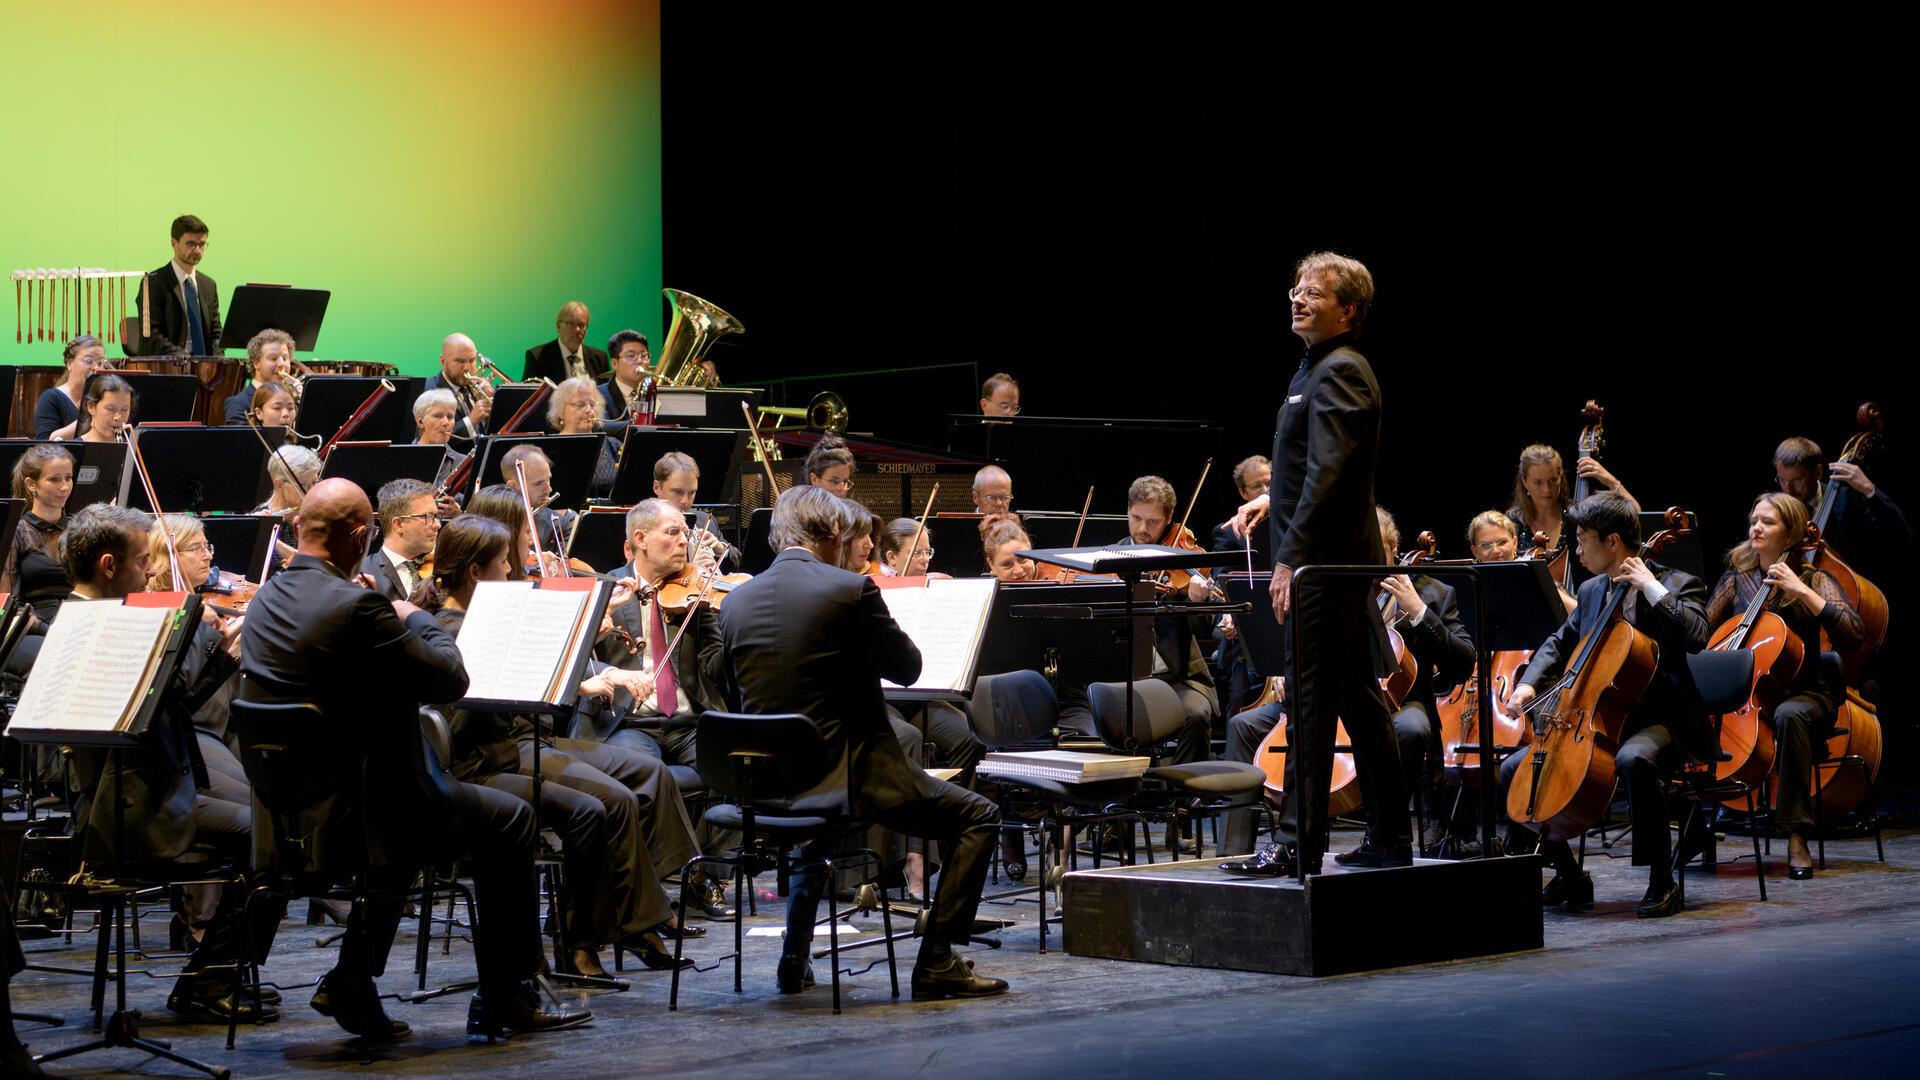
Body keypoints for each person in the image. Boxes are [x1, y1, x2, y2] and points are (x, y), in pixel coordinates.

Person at [236, 477, 588, 1039]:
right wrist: (407, 613)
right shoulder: (362, 607)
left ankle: (354, 978)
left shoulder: (268, 598)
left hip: (291, 804)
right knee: (510, 817)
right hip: (369, 806)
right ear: (359, 535)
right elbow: (450, 677)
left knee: (401, 839)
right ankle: (506, 996)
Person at [717, 484, 1006, 999]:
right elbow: (909, 668)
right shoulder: (849, 591)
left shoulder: (735, 601)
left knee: (819, 829)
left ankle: (793, 960)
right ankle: (938, 959)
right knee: (979, 816)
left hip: (770, 786)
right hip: (855, 775)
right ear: (831, 533)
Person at [414, 513, 703, 977]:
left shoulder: (483, 616)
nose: (513, 573)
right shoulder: (453, 629)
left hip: (523, 743)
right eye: (505, 564)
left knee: (645, 773)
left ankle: (641, 915)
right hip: (489, 757)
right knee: (610, 801)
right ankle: (587, 937)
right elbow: (475, 714)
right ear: (475, 572)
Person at [1220, 251, 1406, 877]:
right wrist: (1273, 498)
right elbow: (1319, 463)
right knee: (1357, 697)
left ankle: (1299, 841)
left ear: (1347, 311)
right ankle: (1389, 837)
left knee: (1307, 702)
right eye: (1295, 289)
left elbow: (1334, 474)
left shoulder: (1341, 370)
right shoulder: (1317, 368)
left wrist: (1288, 561)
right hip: (1331, 561)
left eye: (1314, 294)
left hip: (1326, 567)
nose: (1297, 300)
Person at [53, 504, 262, 1021]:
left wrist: (218, 651)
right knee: (271, 839)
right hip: (127, 807)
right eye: (143, 560)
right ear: (109, 565)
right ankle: (210, 979)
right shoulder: (89, 629)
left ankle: (218, 972)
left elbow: (177, 706)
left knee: (277, 818)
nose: (152, 572)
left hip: (159, 783)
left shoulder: (111, 618)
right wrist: (197, 634)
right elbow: (150, 714)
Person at [1500, 492, 1710, 918]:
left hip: (1662, 720)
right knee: (1510, 770)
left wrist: (1649, 587)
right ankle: (1570, 876)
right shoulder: (1595, 590)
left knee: (1635, 760)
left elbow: (1698, 635)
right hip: (1595, 718)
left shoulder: (1674, 582)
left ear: (1613, 542)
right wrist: (1528, 685)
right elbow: (1560, 642)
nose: (1577, 550)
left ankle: (1662, 881)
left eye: (1583, 540)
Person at [1704, 492, 1864, 879]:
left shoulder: (1813, 578)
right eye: (1754, 520)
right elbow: (1703, 634)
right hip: (1753, 695)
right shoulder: (1736, 580)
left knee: (1790, 715)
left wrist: (1802, 592)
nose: (1756, 528)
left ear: (1790, 532)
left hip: (1809, 693)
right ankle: (1698, 825)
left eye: (1768, 522)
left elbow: (1854, 633)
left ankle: (1795, 835)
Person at [1375, 507, 1475, 854]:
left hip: (1404, 701)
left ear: (1394, 548)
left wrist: (1418, 611)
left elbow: (1463, 661)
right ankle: (1245, 848)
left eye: (1377, 549)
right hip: (1344, 699)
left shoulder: (1432, 592)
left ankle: (1386, 835)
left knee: (1412, 729)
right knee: (1246, 724)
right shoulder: (1338, 590)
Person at [1118, 475, 1218, 769]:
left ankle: (1184, 802)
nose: (1142, 529)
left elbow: (1205, 630)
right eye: (1136, 518)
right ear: (1127, 510)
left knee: (1196, 715)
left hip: (1178, 676)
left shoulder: (1183, 560)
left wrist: (1197, 602)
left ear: (1169, 518)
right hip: (1123, 678)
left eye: (1153, 522)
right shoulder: (1108, 560)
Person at [131, 213, 220, 357]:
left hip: (205, 367)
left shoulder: (209, 285)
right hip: (168, 365)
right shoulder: (153, 282)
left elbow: (215, 332)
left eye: (202, 244)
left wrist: (218, 361)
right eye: (190, 244)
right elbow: (152, 336)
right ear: (174, 243)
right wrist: (182, 357)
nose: (197, 250)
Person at [3, 445, 75, 624]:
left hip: (76, 622)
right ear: (31, 484)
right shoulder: (16, 531)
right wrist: (44, 630)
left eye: (68, 478)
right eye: (54, 480)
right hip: (33, 626)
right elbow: (7, 600)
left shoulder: (79, 529)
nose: (65, 487)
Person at [653, 450, 739, 570]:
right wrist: (690, 569)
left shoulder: (705, 520)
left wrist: (721, 549)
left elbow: (739, 561)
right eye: (678, 492)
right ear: (657, 487)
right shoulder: (643, 523)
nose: (685, 501)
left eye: (692, 492)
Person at [359, 479, 441, 602]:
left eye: (436, 516)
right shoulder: (364, 575)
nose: (438, 524)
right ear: (398, 524)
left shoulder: (437, 569)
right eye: (428, 517)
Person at [549, 376, 621, 498]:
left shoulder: (613, 445)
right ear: (561, 411)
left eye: (592, 404)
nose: (589, 410)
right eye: (580, 405)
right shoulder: (550, 449)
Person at [424, 332, 494, 443]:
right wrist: (470, 421)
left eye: (471, 360)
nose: (467, 367)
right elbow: (432, 439)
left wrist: (494, 403)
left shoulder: (477, 386)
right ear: (443, 361)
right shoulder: (430, 390)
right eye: (460, 361)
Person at [221, 329, 297, 424]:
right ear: (256, 363)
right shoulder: (238, 404)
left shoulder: (294, 401)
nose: (281, 364)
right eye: (273, 358)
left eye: (285, 358)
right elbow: (239, 439)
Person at [35, 334, 103, 438]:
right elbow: (45, 443)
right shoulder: (50, 398)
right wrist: (94, 417)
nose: (96, 367)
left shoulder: (103, 398)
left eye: (100, 362)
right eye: (89, 361)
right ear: (70, 363)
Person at [524, 301, 609, 384]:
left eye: (581, 325)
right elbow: (528, 396)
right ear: (558, 326)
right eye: (571, 324)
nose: (577, 330)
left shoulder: (599, 358)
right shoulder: (538, 357)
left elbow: (607, 395)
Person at [601, 329, 652, 420]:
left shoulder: (656, 392)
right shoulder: (599, 394)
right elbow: (603, 426)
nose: (640, 361)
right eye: (631, 356)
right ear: (614, 364)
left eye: (643, 355)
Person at [73, 373, 134, 442]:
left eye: (125, 410)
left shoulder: (132, 449)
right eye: (110, 409)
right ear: (91, 407)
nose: (118, 417)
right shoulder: (73, 450)